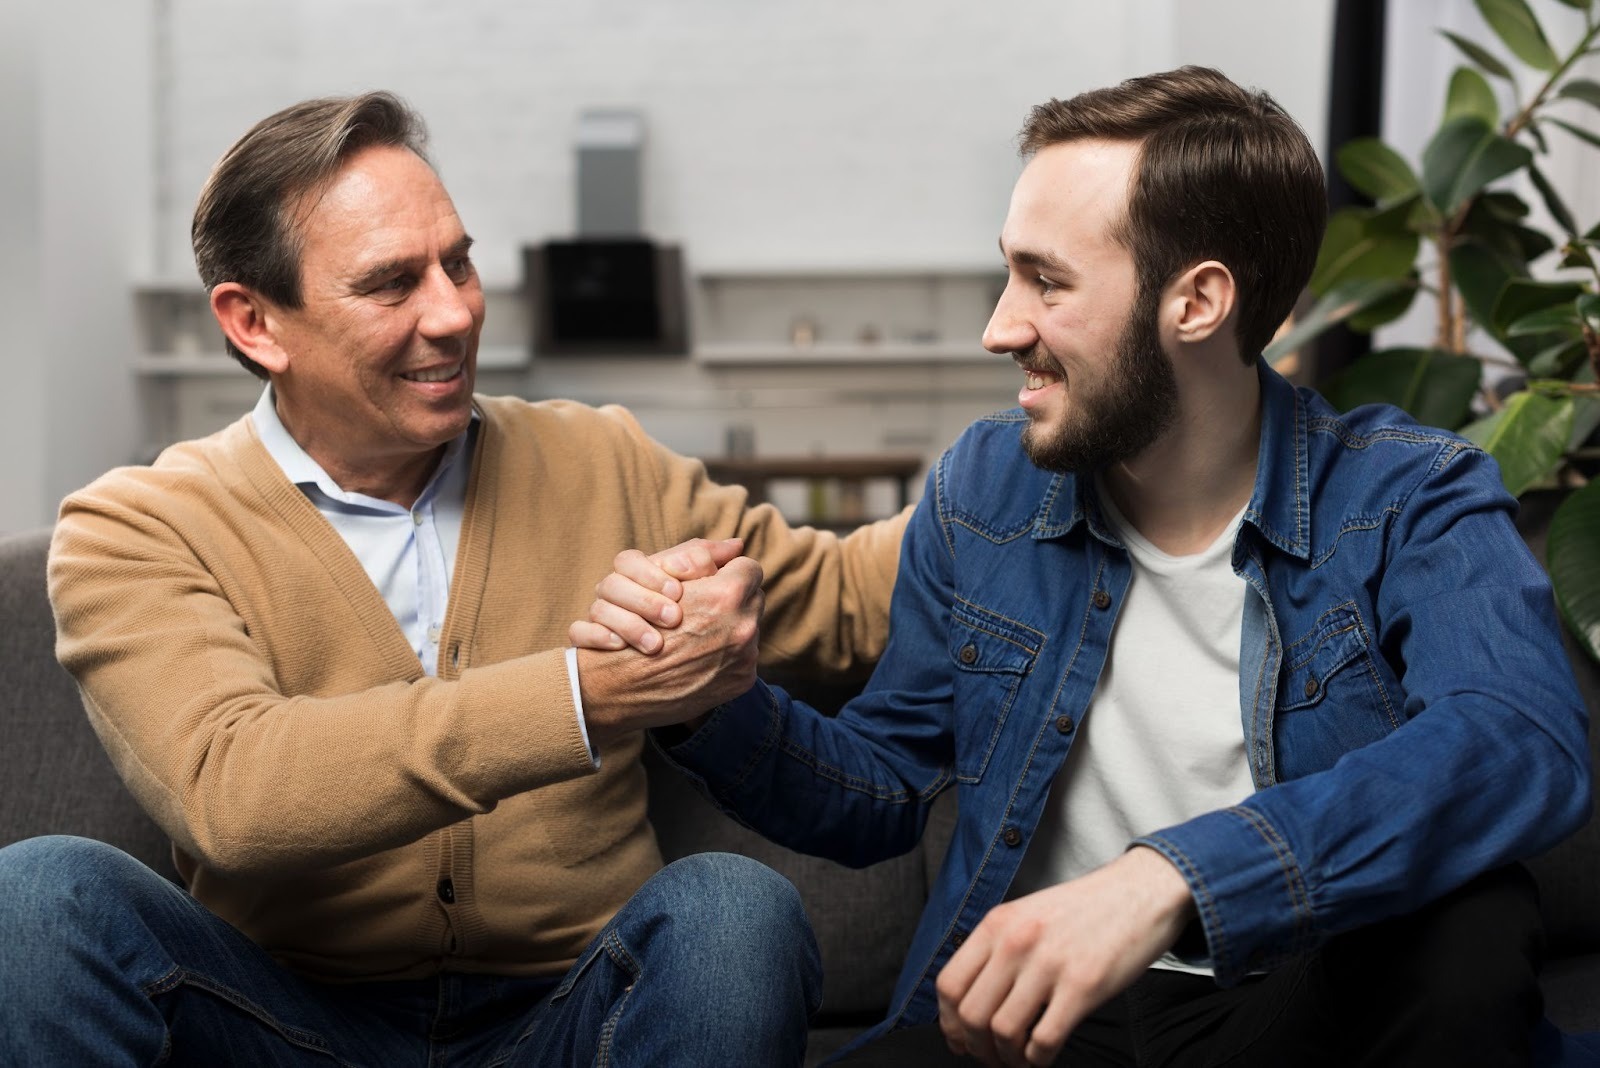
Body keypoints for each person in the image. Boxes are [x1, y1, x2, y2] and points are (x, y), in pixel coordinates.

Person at [590, 67, 1592, 1066]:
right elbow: (882, 790)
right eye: (1007, 273)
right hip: (1039, 1031)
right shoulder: (983, 488)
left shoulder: (1408, 494)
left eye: (1045, 281)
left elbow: (1518, 736)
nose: (998, 326)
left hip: (1298, 1004)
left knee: (1465, 919)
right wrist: (709, 700)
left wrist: (1172, 880)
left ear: (1195, 302)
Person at [0, 91, 906, 1066]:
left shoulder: (601, 459)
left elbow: (849, 599)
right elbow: (237, 793)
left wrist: (1042, 458)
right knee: (40, 899)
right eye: (392, 284)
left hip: (572, 1018)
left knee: (736, 909)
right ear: (255, 322)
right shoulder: (137, 526)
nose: (454, 312)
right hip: (282, 1026)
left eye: (459, 263)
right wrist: (582, 696)